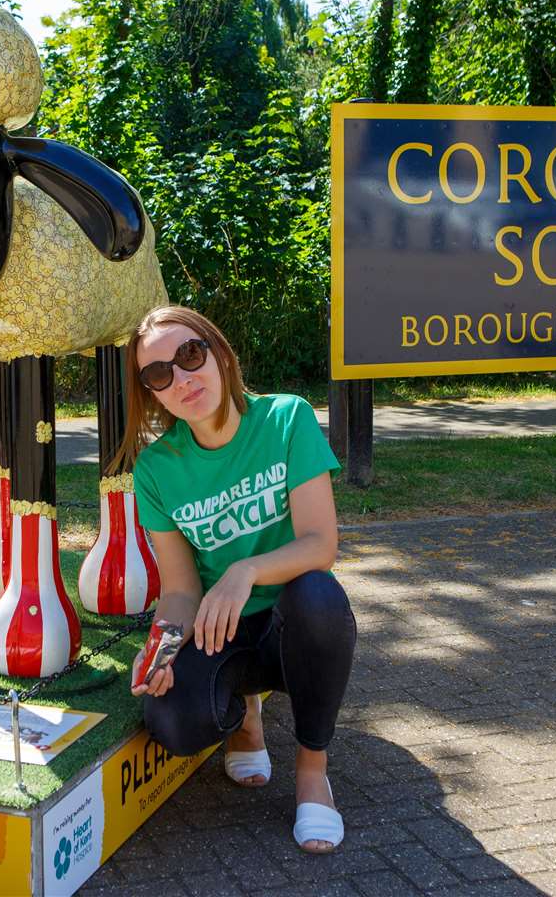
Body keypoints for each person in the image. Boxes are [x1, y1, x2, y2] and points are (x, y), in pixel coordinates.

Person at [117, 305, 355, 853]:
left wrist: (245, 571)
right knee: (171, 722)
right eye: (159, 373)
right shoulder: (156, 470)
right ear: (151, 392)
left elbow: (321, 544)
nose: (181, 377)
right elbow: (179, 590)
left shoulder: (285, 419)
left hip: (289, 626)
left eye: (190, 355)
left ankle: (312, 770)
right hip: (220, 630)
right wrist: (162, 646)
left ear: (218, 351)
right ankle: (247, 715)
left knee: (318, 597)